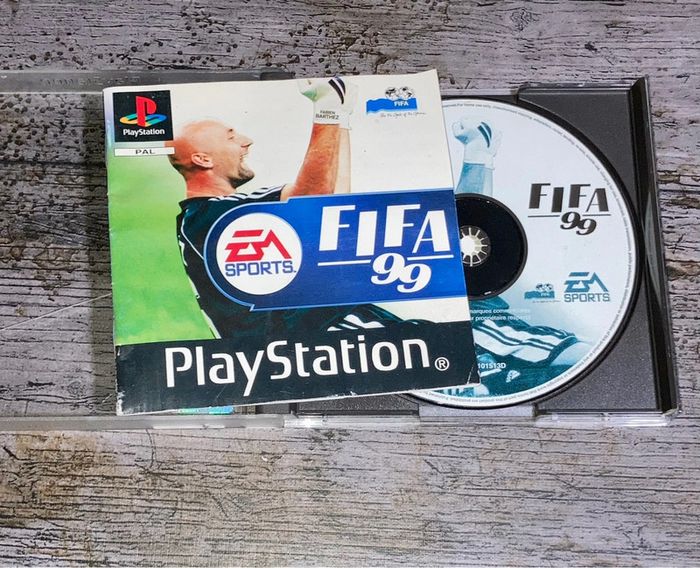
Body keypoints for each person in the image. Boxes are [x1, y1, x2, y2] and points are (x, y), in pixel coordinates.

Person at [169, 78, 402, 339]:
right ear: (203, 159)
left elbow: (331, 203)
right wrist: (326, 108)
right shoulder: (208, 217)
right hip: (311, 339)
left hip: (320, 332)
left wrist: (340, 118)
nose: (246, 141)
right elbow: (312, 198)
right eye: (231, 137)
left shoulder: (216, 214)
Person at [449, 117, 588, 396]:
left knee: (452, 243)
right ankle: (480, 152)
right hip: (467, 321)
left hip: (467, 317)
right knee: (458, 241)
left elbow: (586, 354)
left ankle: (479, 152)